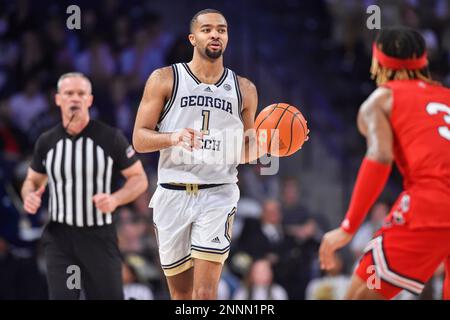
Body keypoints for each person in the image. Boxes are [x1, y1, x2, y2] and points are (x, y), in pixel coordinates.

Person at [132, 9, 262, 300]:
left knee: (204, 294)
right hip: (172, 193)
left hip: (217, 193)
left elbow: (247, 152)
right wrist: (173, 138)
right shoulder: (165, 79)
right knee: (181, 295)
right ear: (193, 38)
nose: (215, 34)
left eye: (222, 29)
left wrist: (270, 147)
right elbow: (139, 139)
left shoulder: (245, 89)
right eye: (207, 29)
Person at [319, 27, 450, 300]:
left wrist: (348, 228)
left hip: (431, 209)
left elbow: (380, 157)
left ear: (378, 62)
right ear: (424, 62)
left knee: (358, 297)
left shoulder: (382, 99)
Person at [21, 72, 148, 299]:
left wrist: (115, 199)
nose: (75, 99)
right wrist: (29, 195)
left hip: (99, 235)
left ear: (89, 100)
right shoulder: (47, 142)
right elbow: (32, 180)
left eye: (81, 94)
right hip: (61, 239)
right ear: (58, 99)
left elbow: (139, 179)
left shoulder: (111, 138)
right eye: (69, 93)